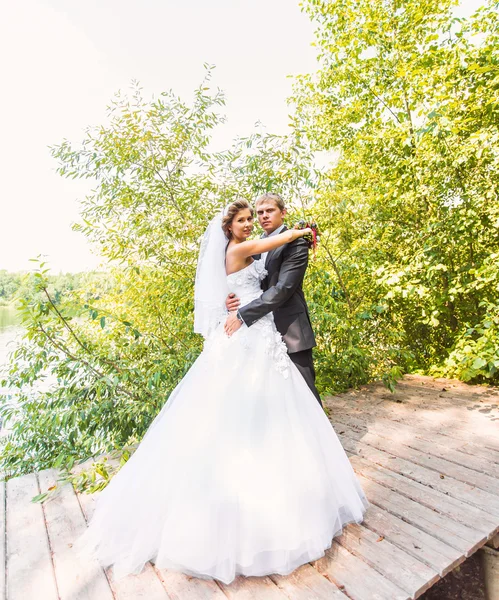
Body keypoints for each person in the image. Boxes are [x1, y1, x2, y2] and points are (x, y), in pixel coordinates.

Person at [76, 199, 368, 585]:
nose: (251, 223)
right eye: (244, 219)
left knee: (275, 408)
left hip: (258, 330)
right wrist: (303, 229)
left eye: (255, 217)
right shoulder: (242, 246)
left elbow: (266, 283)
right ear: (228, 227)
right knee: (242, 408)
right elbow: (260, 259)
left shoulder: (241, 249)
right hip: (247, 331)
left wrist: (235, 300)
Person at [224, 193, 322, 406]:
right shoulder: (256, 247)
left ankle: (318, 439)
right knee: (270, 398)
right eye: (260, 212)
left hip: (291, 330)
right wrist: (231, 300)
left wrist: (243, 314)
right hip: (260, 332)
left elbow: (283, 289)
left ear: (283, 213)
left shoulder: (296, 243)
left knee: (306, 395)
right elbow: (248, 282)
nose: (264, 216)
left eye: (270, 211)